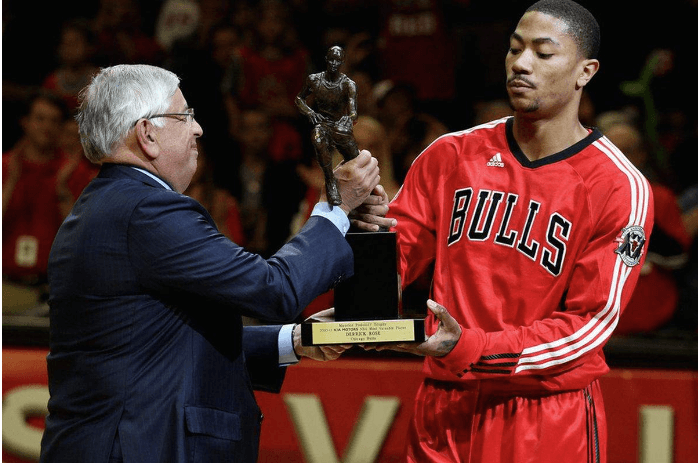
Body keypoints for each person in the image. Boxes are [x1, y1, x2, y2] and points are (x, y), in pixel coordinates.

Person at [39, 64, 387, 462]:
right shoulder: (148, 210)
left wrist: (293, 341)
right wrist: (334, 209)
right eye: (184, 116)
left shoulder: (106, 205)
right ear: (147, 134)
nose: (198, 129)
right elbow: (274, 288)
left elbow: (163, 344)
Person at [365, 1, 654, 462]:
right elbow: (393, 256)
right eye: (515, 49)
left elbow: (588, 325)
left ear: (585, 71)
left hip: (543, 414)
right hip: (444, 405)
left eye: (543, 53)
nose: (520, 63)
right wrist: (360, 278)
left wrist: (472, 347)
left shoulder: (618, 186)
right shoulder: (450, 154)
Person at [2, 91, 95, 293]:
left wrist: (62, 188)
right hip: (5, 283)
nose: (47, 127)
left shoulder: (74, 172)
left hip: (53, 287)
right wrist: (10, 182)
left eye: (54, 121)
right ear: (25, 122)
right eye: (40, 119)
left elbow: (82, 240)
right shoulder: (4, 166)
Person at [296, 45, 360, 206]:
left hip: (340, 125)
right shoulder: (315, 79)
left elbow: (353, 111)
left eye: (337, 60)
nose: (333, 63)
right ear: (326, 60)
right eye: (331, 59)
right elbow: (299, 99)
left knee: (354, 156)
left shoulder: (348, 84)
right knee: (318, 139)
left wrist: (350, 117)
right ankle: (330, 181)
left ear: (342, 62)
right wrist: (310, 112)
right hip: (323, 123)